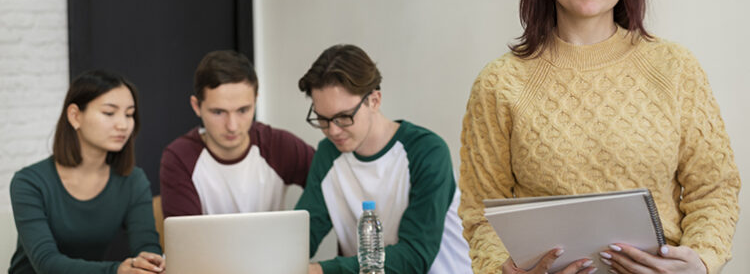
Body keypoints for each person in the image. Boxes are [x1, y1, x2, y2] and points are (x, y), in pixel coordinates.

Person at [458, 0, 740, 274]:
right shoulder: (499, 83)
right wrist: (501, 269)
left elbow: (715, 188)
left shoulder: (674, 68)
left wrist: (701, 261)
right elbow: (480, 211)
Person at [295, 44, 471, 274]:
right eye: (323, 119)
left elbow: (414, 256)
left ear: (374, 101)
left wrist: (319, 271)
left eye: (344, 117)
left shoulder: (427, 152)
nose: (333, 131)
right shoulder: (328, 155)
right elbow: (303, 236)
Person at [9, 70, 164, 274]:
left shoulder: (133, 181)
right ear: (75, 116)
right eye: (109, 113)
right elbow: (46, 263)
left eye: (129, 114)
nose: (123, 125)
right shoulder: (29, 182)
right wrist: (116, 271)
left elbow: (146, 245)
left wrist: (149, 263)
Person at [159, 50, 315, 217]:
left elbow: (329, 185)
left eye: (243, 110)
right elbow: (185, 240)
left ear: (255, 100)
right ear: (197, 106)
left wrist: (298, 234)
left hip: (273, 244)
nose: (232, 126)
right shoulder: (179, 158)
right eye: (218, 112)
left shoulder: (278, 145)